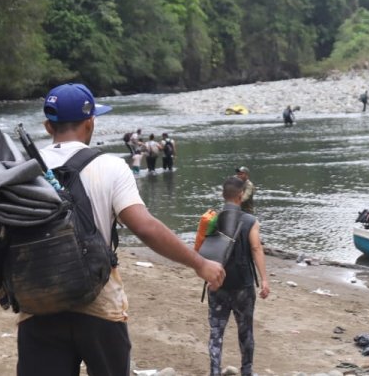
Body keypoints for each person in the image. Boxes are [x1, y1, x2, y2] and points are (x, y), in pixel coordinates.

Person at [17, 83, 225, 375]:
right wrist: (199, 263)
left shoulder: (21, 169)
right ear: (90, 123)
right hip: (98, 303)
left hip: (38, 304)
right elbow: (145, 228)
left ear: (48, 126)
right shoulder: (110, 167)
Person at [207, 176, 271, 376]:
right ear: (241, 195)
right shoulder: (250, 221)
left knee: (216, 331)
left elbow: (206, 249)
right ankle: (247, 371)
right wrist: (264, 280)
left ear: (222, 195)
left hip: (217, 282)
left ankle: (215, 371)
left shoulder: (213, 219)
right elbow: (256, 248)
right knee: (245, 331)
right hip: (243, 285)